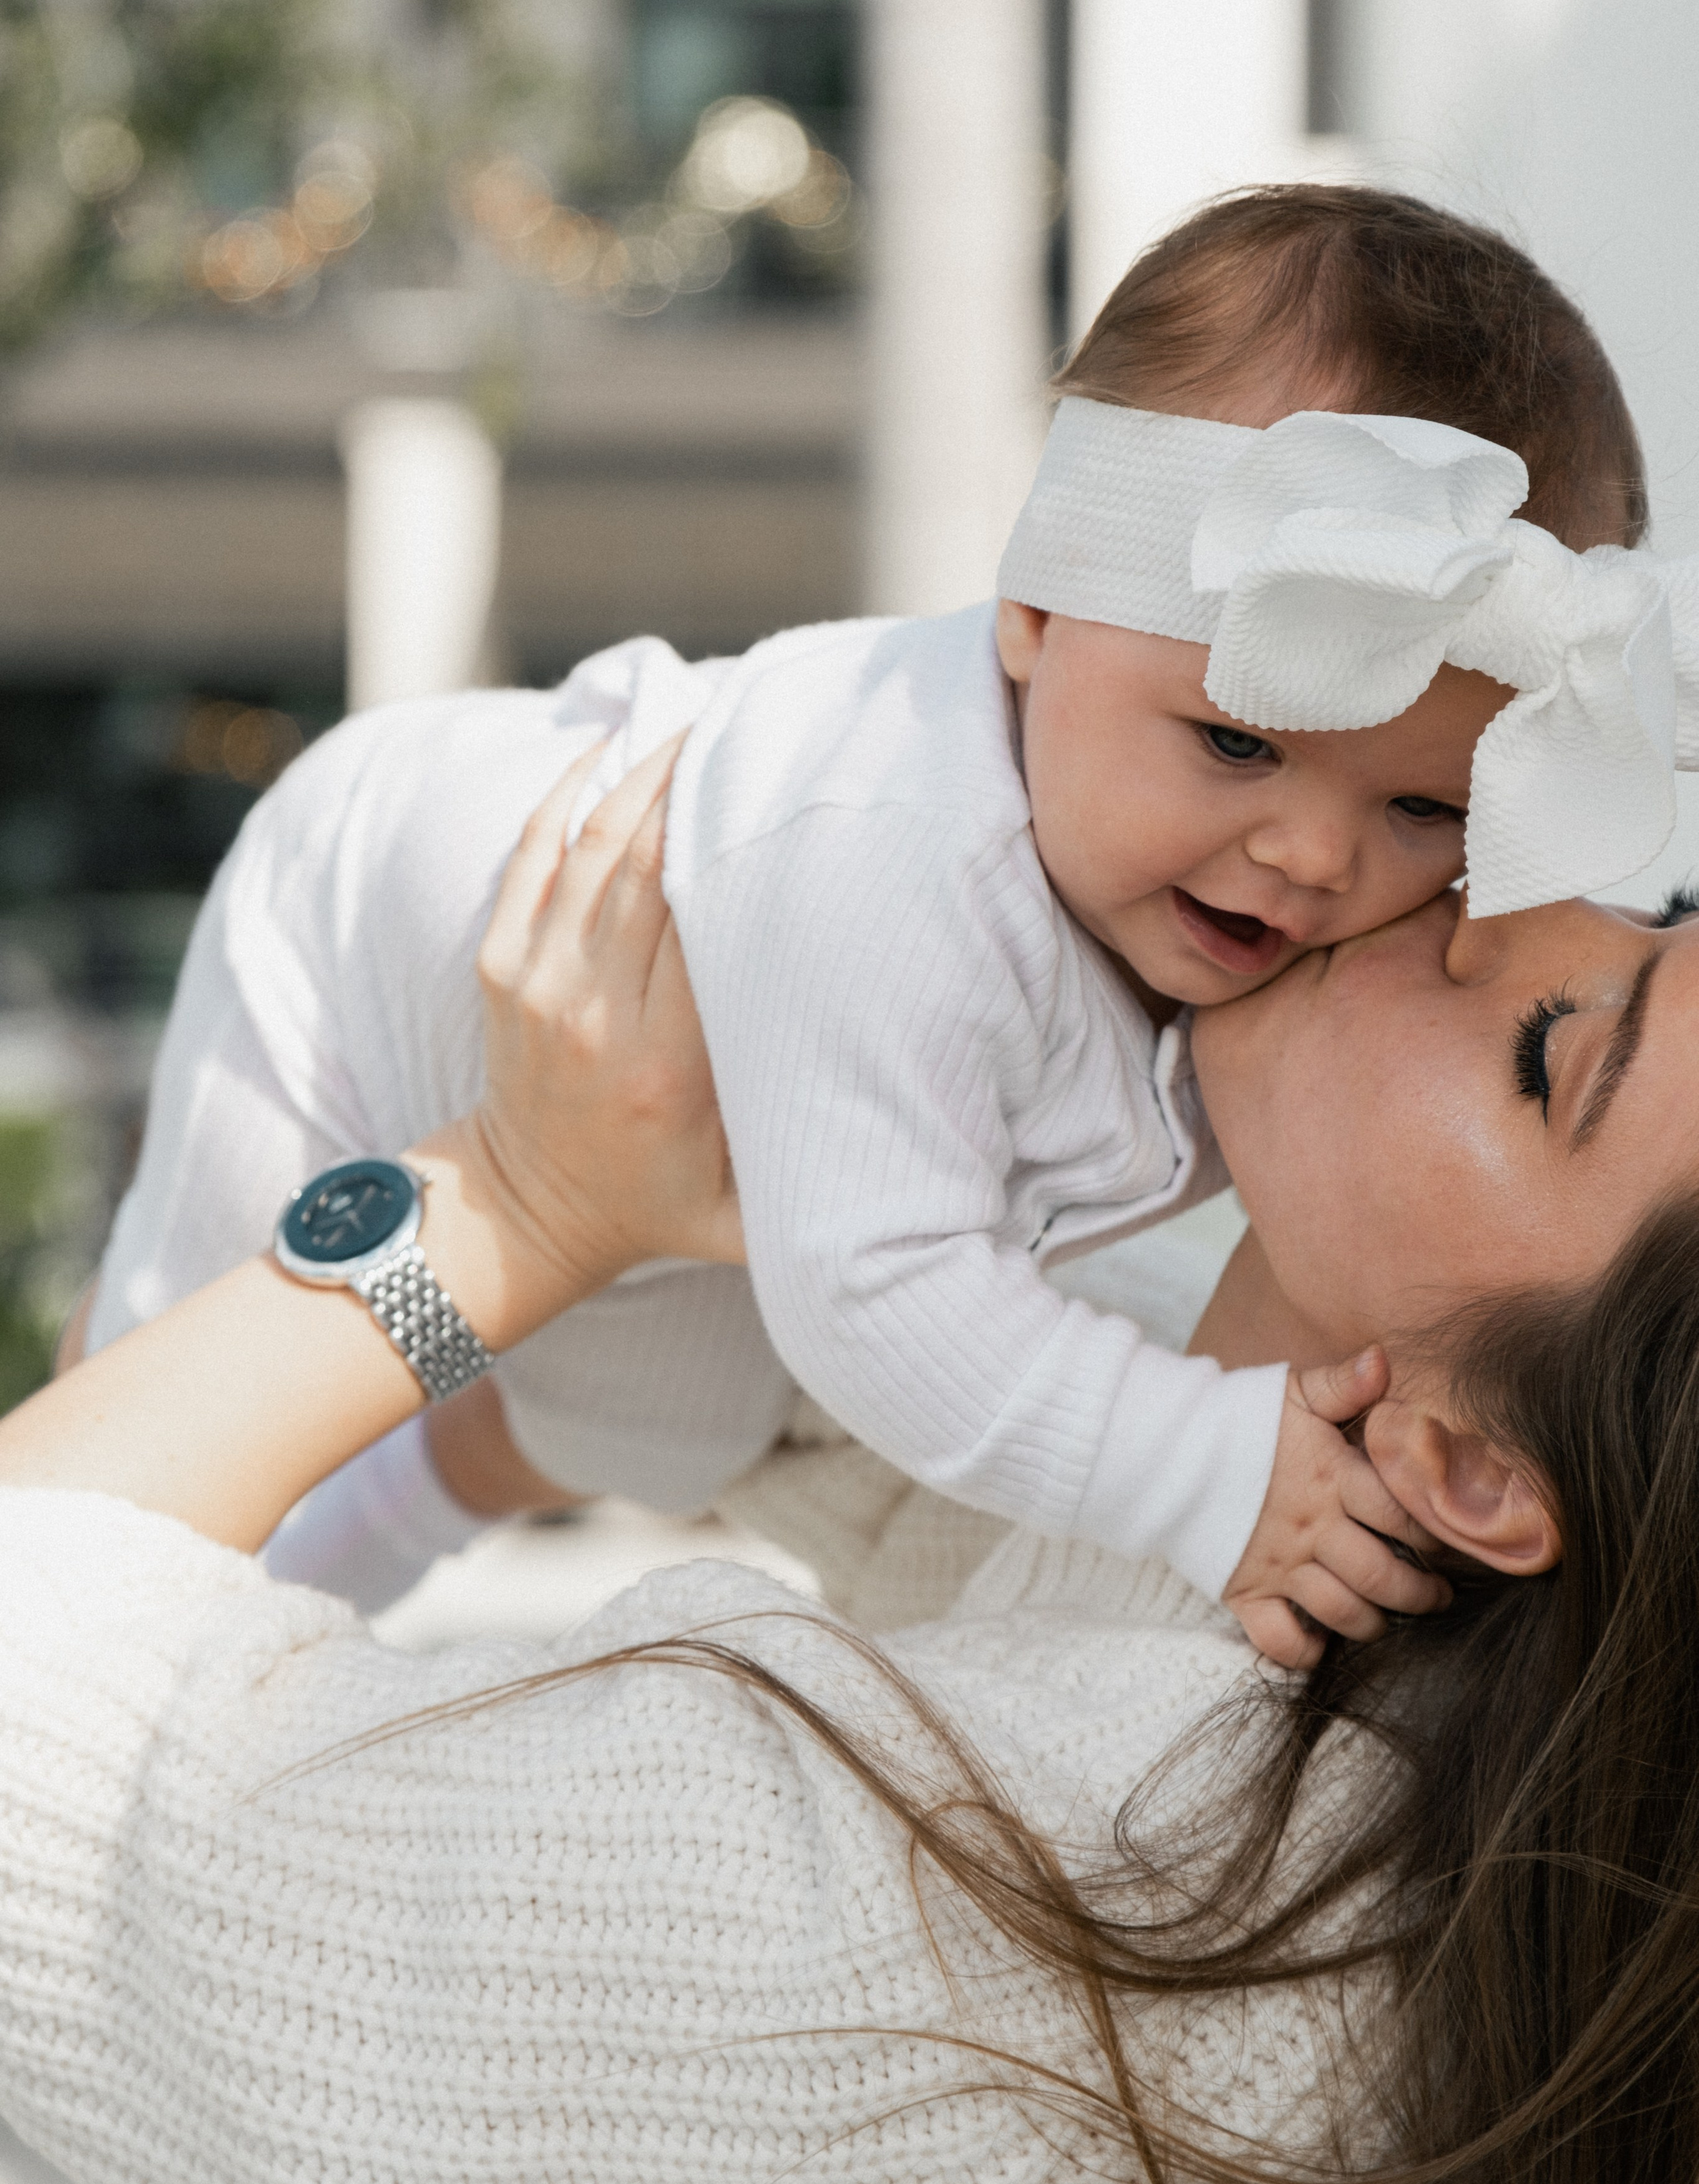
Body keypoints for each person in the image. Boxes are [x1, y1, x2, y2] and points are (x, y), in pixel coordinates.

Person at [1, 748, 1697, 2184]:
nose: (1493, 893)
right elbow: (884, 1413)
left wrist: (512, 1205)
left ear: (1471, 1475)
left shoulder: (1009, 1985)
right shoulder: (1443, 1782)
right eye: (1661, 916)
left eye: (1549, 1054)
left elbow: (40, 1702)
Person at [82, 185, 1690, 1672]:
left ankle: (389, 1521)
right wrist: (1200, 1474)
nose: (1308, 856)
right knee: (159, 1442)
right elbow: (877, 1300)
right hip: (361, 932)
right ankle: (118, 1607)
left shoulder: (1217, 901)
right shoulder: (890, 856)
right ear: (1035, 616)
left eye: (1420, 812)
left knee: (659, 1423)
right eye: (1232, 743)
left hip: (662, 1190)